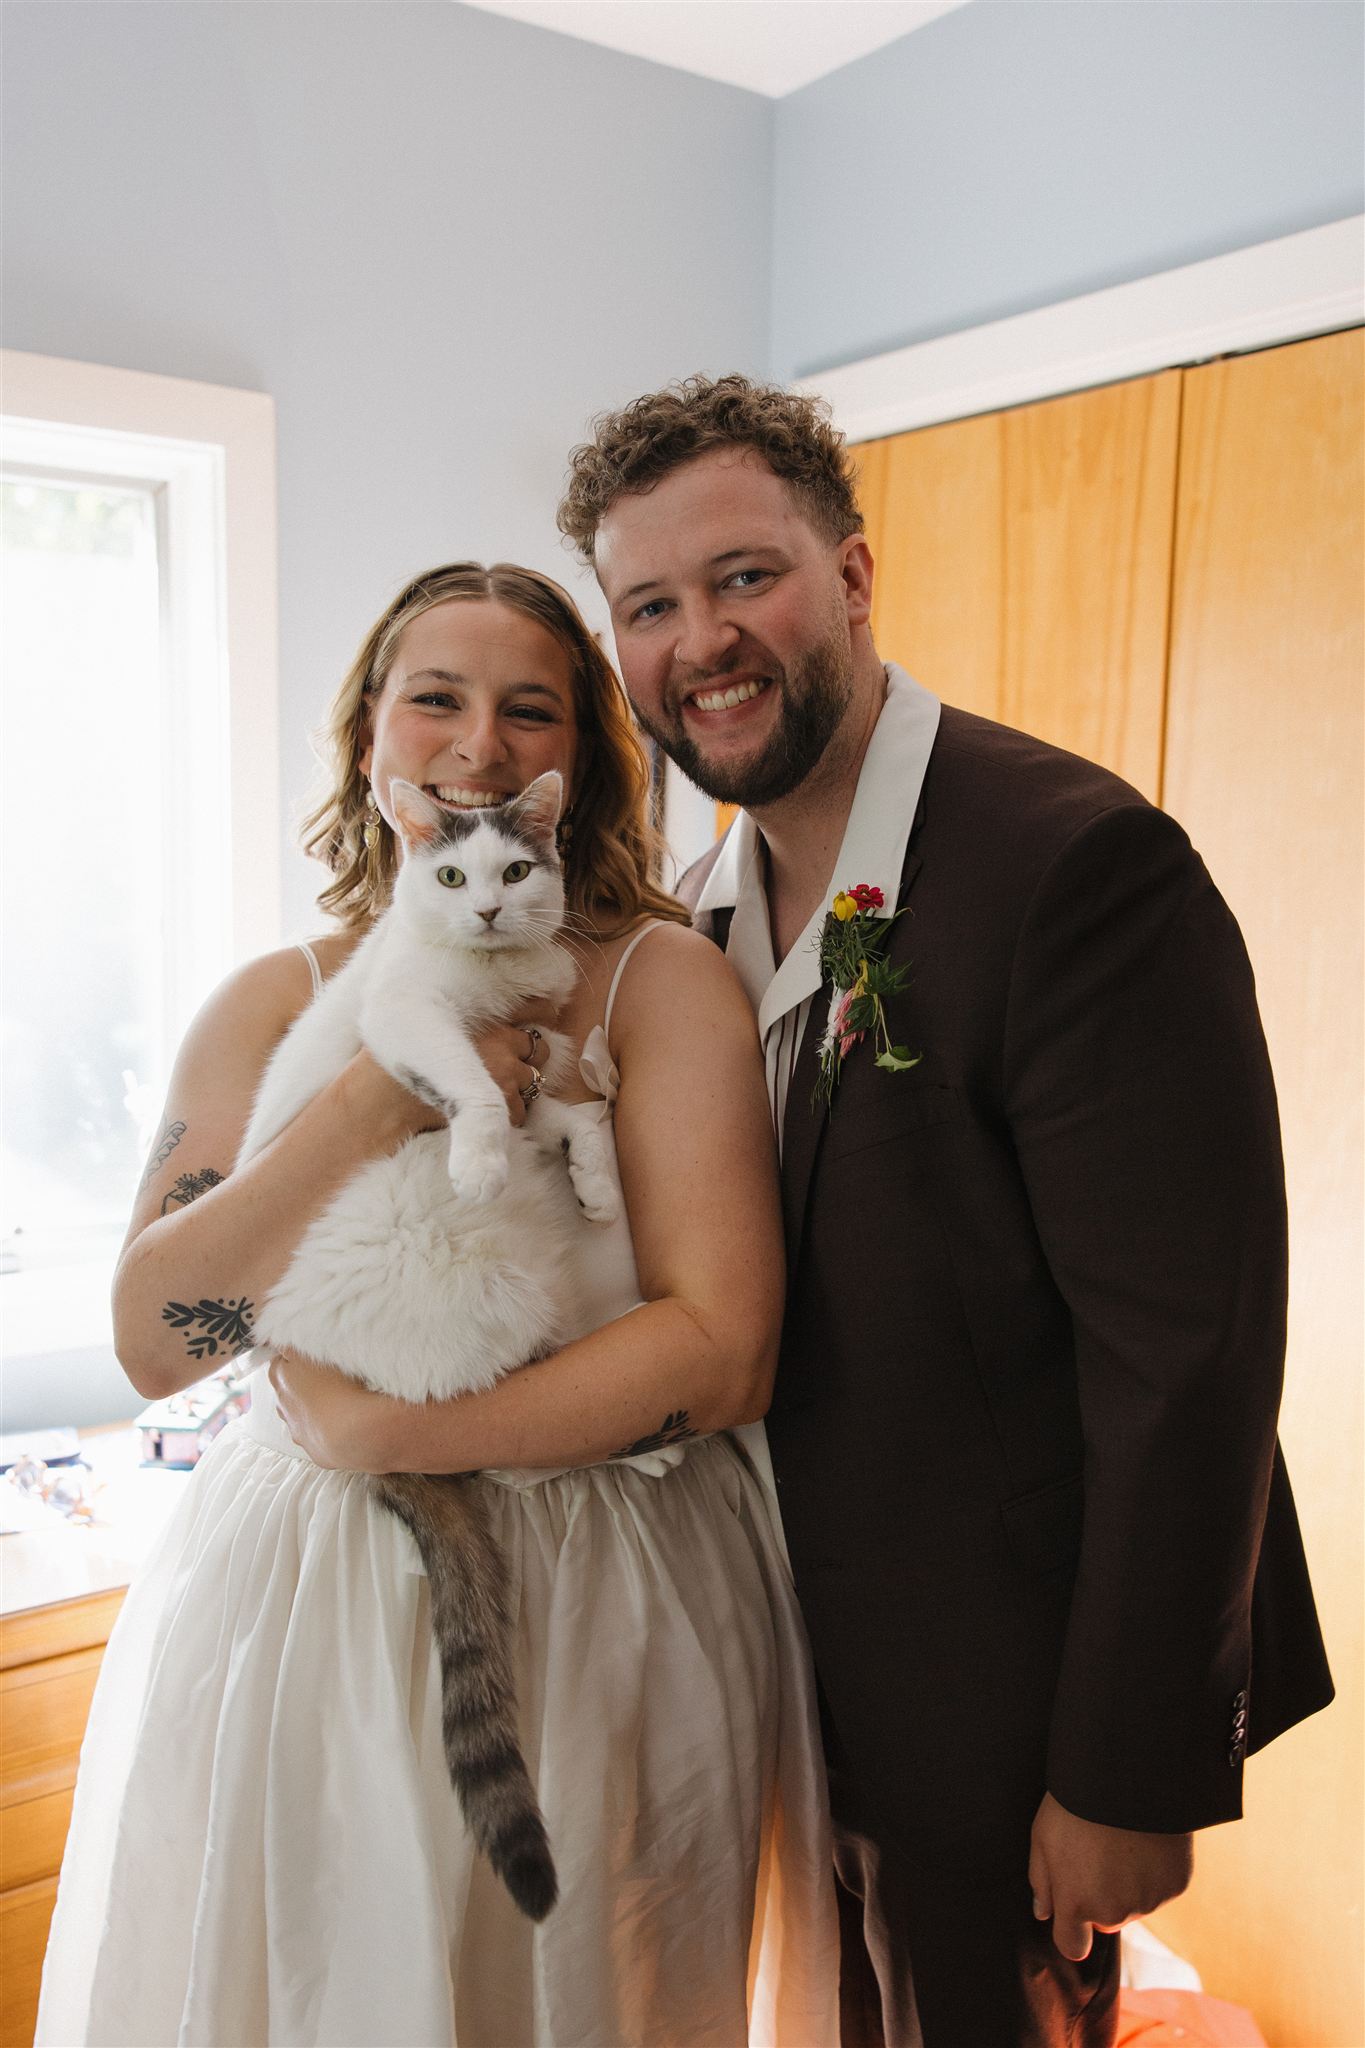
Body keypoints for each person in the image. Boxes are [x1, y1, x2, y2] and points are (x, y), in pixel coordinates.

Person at [555, 376, 1335, 2048]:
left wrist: (1126, 1765)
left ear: (847, 575)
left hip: (1001, 1713)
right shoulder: (686, 921)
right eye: (650, 606)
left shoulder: (1075, 868)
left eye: (743, 576)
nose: (704, 640)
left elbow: (1186, 1361)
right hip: (770, 1676)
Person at [37, 561, 840, 2048]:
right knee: (320, 1980)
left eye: (528, 710)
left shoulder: (656, 983)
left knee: (580, 1986)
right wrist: (359, 1108)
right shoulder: (268, 998)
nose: (479, 743)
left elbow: (724, 1349)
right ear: (372, 744)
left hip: (598, 1584)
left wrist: (386, 1437)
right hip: (309, 1602)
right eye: (436, 700)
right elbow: (157, 1344)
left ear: (577, 768)